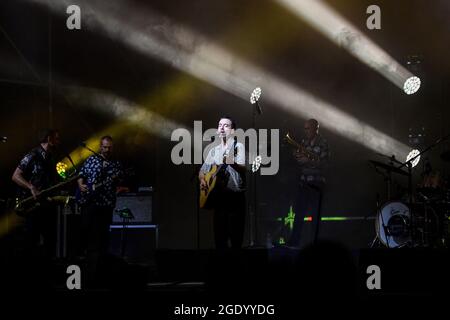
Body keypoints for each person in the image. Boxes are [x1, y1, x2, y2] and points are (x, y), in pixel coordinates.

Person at [77, 135, 123, 285]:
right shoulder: (91, 160)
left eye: (109, 147)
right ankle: (87, 274)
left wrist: (119, 184)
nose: (107, 150)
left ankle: (100, 274)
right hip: (90, 204)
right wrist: (80, 185)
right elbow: (80, 175)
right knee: (89, 237)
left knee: (102, 239)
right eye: (105, 147)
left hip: (106, 205)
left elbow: (119, 181)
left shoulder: (115, 164)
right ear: (100, 147)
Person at [12, 129, 61, 259]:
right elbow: (15, 176)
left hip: (46, 206)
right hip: (32, 207)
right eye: (56, 139)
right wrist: (31, 187)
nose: (58, 141)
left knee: (50, 241)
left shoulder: (51, 158)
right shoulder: (32, 155)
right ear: (49, 139)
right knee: (31, 242)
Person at [199, 117, 246, 249]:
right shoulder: (214, 150)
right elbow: (202, 171)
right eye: (219, 125)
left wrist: (232, 162)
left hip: (234, 198)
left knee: (236, 238)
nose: (221, 127)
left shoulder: (238, 147)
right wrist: (203, 180)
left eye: (226, 125)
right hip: (219, 198)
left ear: (232, 131)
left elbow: (243, 168)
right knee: (220, 239)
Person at [288, 119, 329, 248]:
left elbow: (324, 164)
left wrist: (308, 160)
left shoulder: (323, 143)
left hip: (317, 184)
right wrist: (298, 157)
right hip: (304, 183)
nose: (306, 131)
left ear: (316, 128)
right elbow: (300, 161)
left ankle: (316, 245)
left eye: (308, 128)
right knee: (298, 215)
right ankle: (294, 243)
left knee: (315, 217)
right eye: (305, 128)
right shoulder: (304, 142)